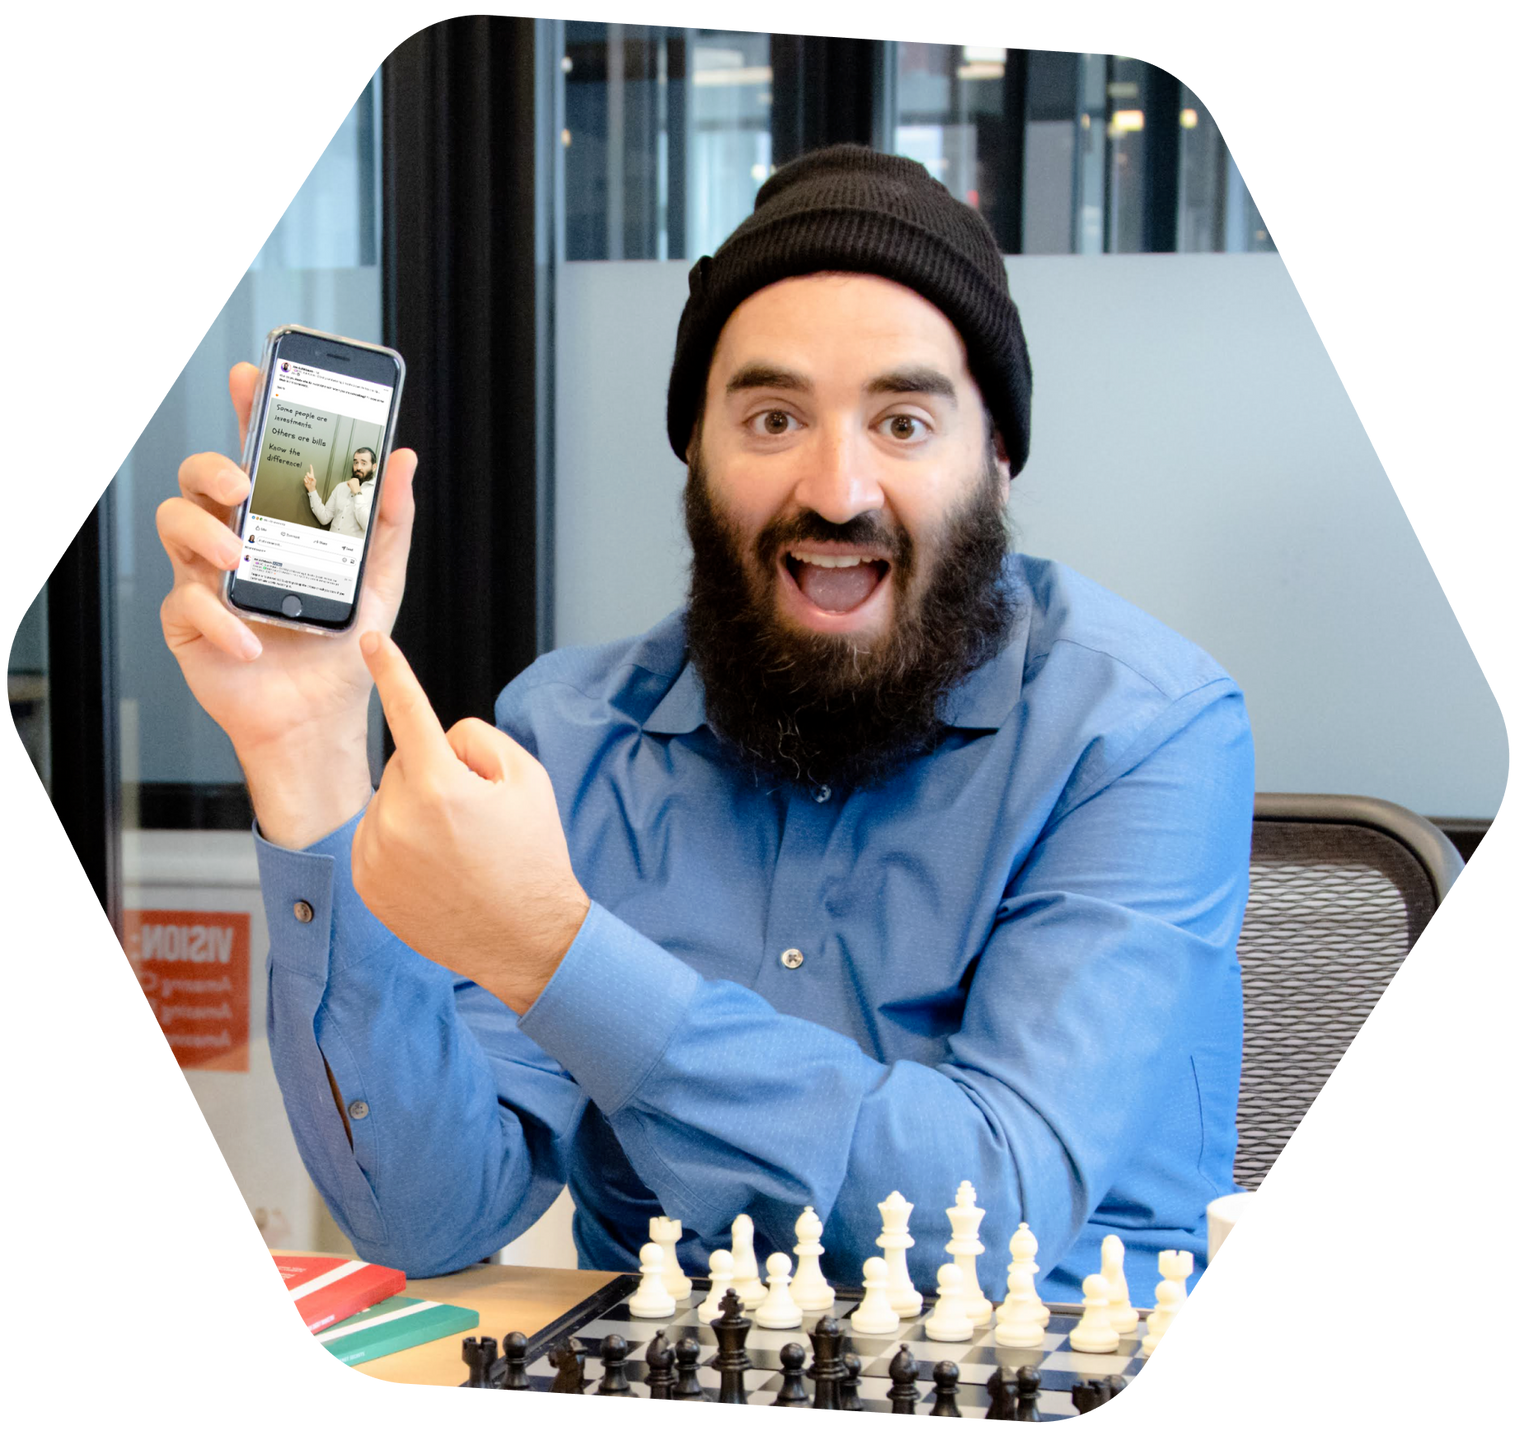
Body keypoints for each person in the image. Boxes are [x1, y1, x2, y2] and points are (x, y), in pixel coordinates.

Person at [157, 145, 1253, 1306]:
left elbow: (978, 1218)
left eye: (903, 423)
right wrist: (307, 746)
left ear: (998, 455)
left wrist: (558, 953)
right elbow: (428, 1217)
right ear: (696, 454)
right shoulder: (569, 733)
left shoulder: (1141, 734)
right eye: (774, 418)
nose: (837, 490)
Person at [302, 447, 376, 535]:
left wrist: (357, 493)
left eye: (364, 463)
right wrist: (312, 489)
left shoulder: (377, 493)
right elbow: (324, 518)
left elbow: (367, 526)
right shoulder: (341, 487)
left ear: (374, 467)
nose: (358, 467)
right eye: (356, 462)